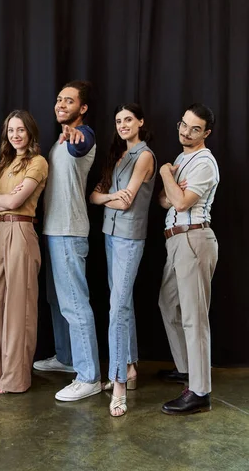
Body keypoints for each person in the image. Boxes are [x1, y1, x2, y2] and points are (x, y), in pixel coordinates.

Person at [34, 80, 101, 402]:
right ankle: (66, 358)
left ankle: (88, 376)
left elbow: (81, 145)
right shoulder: (58, 141)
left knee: (74, 305)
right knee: (56, 302)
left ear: (82, 108)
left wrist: (75, 137)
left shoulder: (81, 136)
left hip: (69, 233)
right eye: (59, 99)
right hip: (52, 231)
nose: (61, 104)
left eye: (69, 101)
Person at [90, 104, 156, 417]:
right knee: (121, 301)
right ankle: (129, 368)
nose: (123, 124)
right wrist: (108, 198)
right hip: (109, 234)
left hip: (130, 238)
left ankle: (118, 384)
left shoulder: (144, 155)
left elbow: (128, 200)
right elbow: (95, 196)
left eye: (128, 119)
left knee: (118, 308)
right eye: (118, 120)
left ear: (140, 122)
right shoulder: (118, 156)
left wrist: (108, 199)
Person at [158, 103, 219, 415]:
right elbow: (163, 199)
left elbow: (179, 201)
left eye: (195, 128)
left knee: (195, 317)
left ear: (205, 133)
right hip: (176, 240)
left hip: (194, 238)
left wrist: (165, 172)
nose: (186, 131)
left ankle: (199, 392)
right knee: (168, 305)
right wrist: (171, 184)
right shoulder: (183, 158)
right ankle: (186, 369)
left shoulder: (204, 163)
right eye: (184, 124)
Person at [0, 110, 48, 394]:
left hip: (22, 231)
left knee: (18, 309)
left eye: (21, 129)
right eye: (11, 130)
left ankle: (16, 378)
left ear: (30, 132)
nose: (15, 135)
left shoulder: (38, 162)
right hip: (0, 232)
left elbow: (17, 200)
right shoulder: (5, 163)